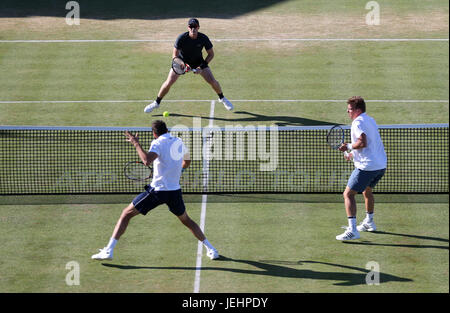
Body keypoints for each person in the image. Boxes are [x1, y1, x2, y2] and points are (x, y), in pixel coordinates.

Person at [92, 120, 219, 260]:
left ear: (154, 133)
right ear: (166, 130)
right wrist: (177, 170)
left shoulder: (157, 143)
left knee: (125, 214)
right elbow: (187, 162)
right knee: (187, 220)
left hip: (157, 192)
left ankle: (109, 251)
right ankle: (211, 249)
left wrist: (136, 143)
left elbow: (147, 160)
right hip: (174, 192)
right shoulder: (178, 141)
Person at [144, 18, 234, 113]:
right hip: (181, 62)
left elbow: (211, 54)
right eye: (191, 27)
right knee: (169, 82)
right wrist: (183, 65)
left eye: (195, 27)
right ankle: (156, 103)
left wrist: (201, 67)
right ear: (188, 27)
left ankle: (222, 98)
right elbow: (174, 56)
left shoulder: (203, 38)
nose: (193, 29)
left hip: (198, 62)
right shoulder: (181, 38)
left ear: (198, 27)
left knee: (212, 81)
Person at [336, 96, 387, 241]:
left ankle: (352, 230)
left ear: (357, 110)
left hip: (367, 167)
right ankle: (369, 222)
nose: (348, 111)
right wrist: (352, 153)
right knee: (367, 190)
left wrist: (348, 146)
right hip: (380, 165)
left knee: (348, 195)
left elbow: (362, 142)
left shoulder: (357, 123)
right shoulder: (370, 119)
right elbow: (369, 143)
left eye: (350, 109)